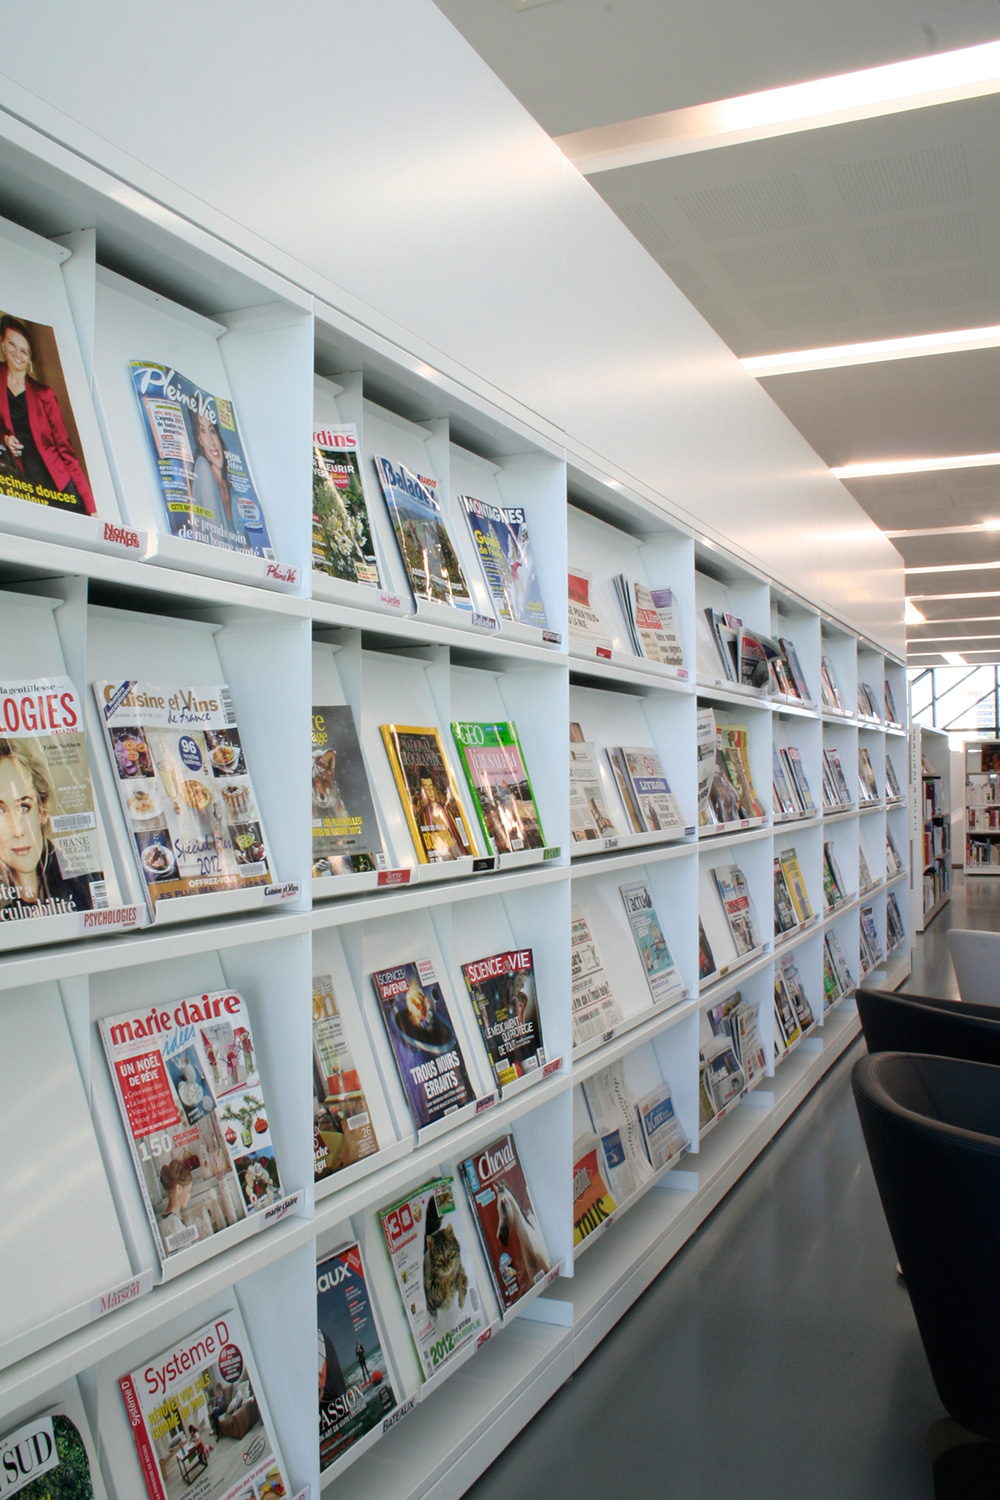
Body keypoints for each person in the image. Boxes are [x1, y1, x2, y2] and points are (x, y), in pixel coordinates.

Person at [0, 315, 95, 513]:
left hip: (58, 488)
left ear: (30, 359)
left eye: (24, 351)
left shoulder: (44, 394)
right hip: (22, 485)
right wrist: (5, 438)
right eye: (11, 344)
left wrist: (92, 507)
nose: (17, 354)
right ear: (2, 344)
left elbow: (66, 452)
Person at [0, 739, 99, 914]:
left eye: (24, 807)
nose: (18, 831)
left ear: (42, 811)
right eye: (0, 811)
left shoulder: (83, 884)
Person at [191, 406, 251, 546]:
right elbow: (217, 541)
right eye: (203, 431)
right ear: (200, 439)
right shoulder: (202, 468)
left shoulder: (234, 494)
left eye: (212, 431)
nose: (211, 442)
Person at [158, 1159, 194, 1246]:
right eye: (188, 1191)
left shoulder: (171, 1219)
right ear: (178, 1188)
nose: (189, 1196)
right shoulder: (173, 1224)